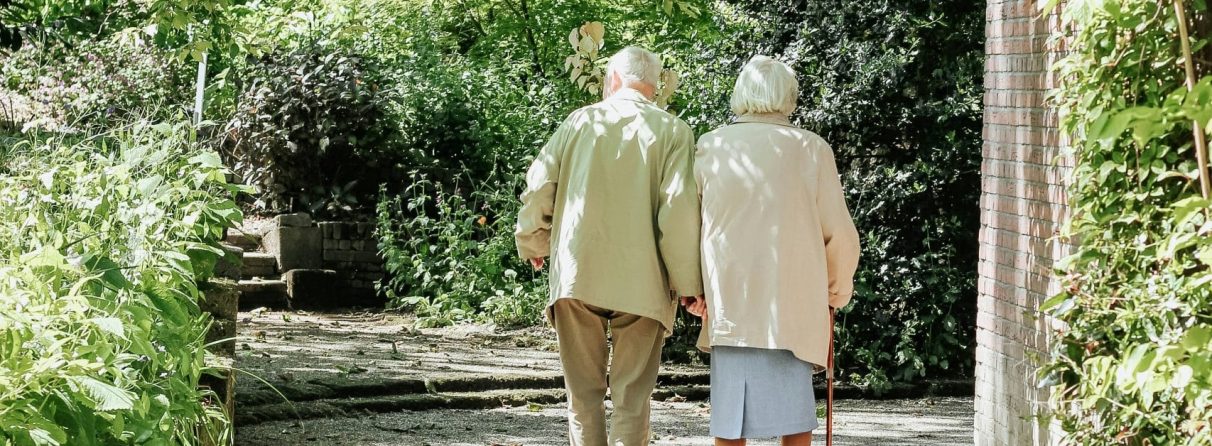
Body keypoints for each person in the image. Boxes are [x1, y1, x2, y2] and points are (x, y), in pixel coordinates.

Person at [515, 46, 703, 446]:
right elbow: (679, 212)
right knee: (633, 398)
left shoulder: (579, 121)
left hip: (577, 271)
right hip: (643, 281)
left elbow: (539, 187)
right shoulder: (674, 131)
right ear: (654, 86)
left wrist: (533, 240)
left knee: (582, 394)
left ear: (613, 78)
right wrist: (689, 284)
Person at [684, 55, 861, 446]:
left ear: (740, 94)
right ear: (789, 96)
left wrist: (692, 288)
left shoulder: (711, 146)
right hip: (794, 303)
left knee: (730, 419)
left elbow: (689, 228)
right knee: (796, 417)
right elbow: (840, 234)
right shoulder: (812, 149)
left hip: (730, 301)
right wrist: (835, 292)